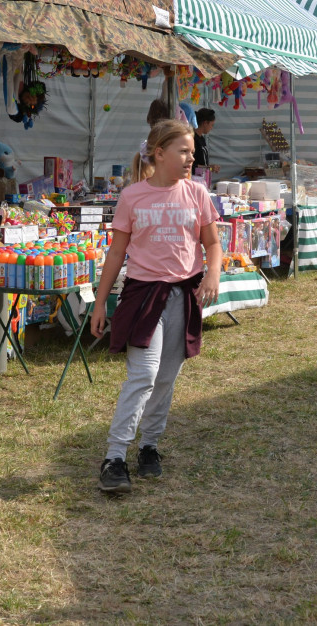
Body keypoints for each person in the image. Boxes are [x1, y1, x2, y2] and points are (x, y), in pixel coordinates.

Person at [91, 119, 222, 494]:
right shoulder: (132, 196)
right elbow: (116, 252)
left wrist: (212, 275)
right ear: (158, 153)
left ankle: (149, 447)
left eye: (192, 153)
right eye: (183, 151)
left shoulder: (197, 194)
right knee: (144, 375)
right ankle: (114, 457)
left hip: (183, 295)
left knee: (166, 377)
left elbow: (212, 244)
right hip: (143, 296)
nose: (189, 159)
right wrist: (101, 304)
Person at [192, 107, 216, 173]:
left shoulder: (201, 138)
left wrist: (211, 169)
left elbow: (204, 166)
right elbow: (192, 166)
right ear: (205, 123)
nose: (211, 128)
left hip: (202, 178)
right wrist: (209, 168)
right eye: (212, 125)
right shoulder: (193, 139)